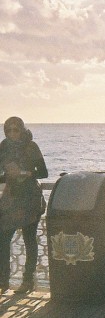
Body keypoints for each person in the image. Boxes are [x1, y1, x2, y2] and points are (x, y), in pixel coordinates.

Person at [0, 117, 48, 295]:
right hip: (11, 198)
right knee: (3, 238)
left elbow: (43, 172)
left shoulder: (31, 146)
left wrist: (27, 173)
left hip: (29, 197)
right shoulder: (3, 147)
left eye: (16, 130)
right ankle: (3, 280)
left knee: (29, 239)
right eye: (8, 130)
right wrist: (7, 174)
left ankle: (28, 280)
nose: (12, 133)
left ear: (22, 129)